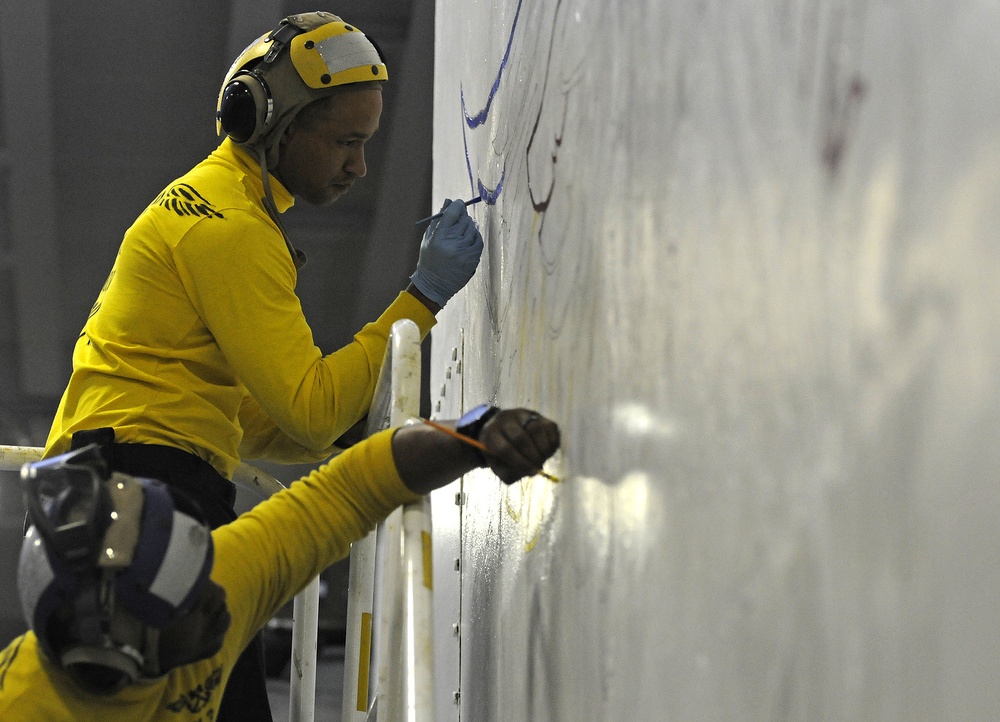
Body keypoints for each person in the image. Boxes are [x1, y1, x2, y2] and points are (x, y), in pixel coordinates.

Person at [39, 11, 483, 721]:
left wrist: (342, 436)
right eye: (346, 141)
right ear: (274, 125)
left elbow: (251, 416)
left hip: (121, 491)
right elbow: (306, 407)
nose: (359, 167)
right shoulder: (232, 230)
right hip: (150, 491)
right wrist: (422, 298)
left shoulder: (211, 208)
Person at [0, 407, 561, 721]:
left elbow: (347, 492)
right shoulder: (27, 711)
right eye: (198, 602)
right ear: (124, 650)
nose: (224, 598)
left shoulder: (212, 581)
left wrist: (473, 436)